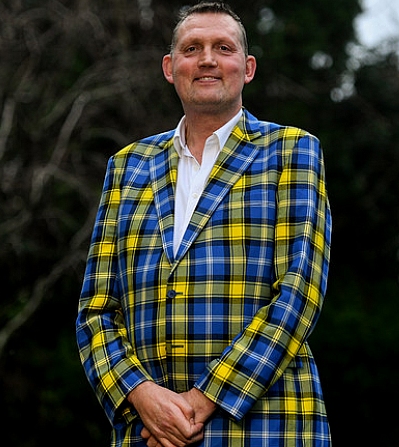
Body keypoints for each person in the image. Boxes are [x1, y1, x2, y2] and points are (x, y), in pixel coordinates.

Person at [75, 2, 332, 446]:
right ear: (170, 68)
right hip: (149, 434)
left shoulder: (292, 151)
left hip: (266, 429)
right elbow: (96, 309)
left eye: (223, 47)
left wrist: (199, 402)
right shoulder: (127, 166)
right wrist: (141, 397)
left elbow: (298, 292)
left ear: (247, 68)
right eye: (192, 48)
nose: (208, 58)